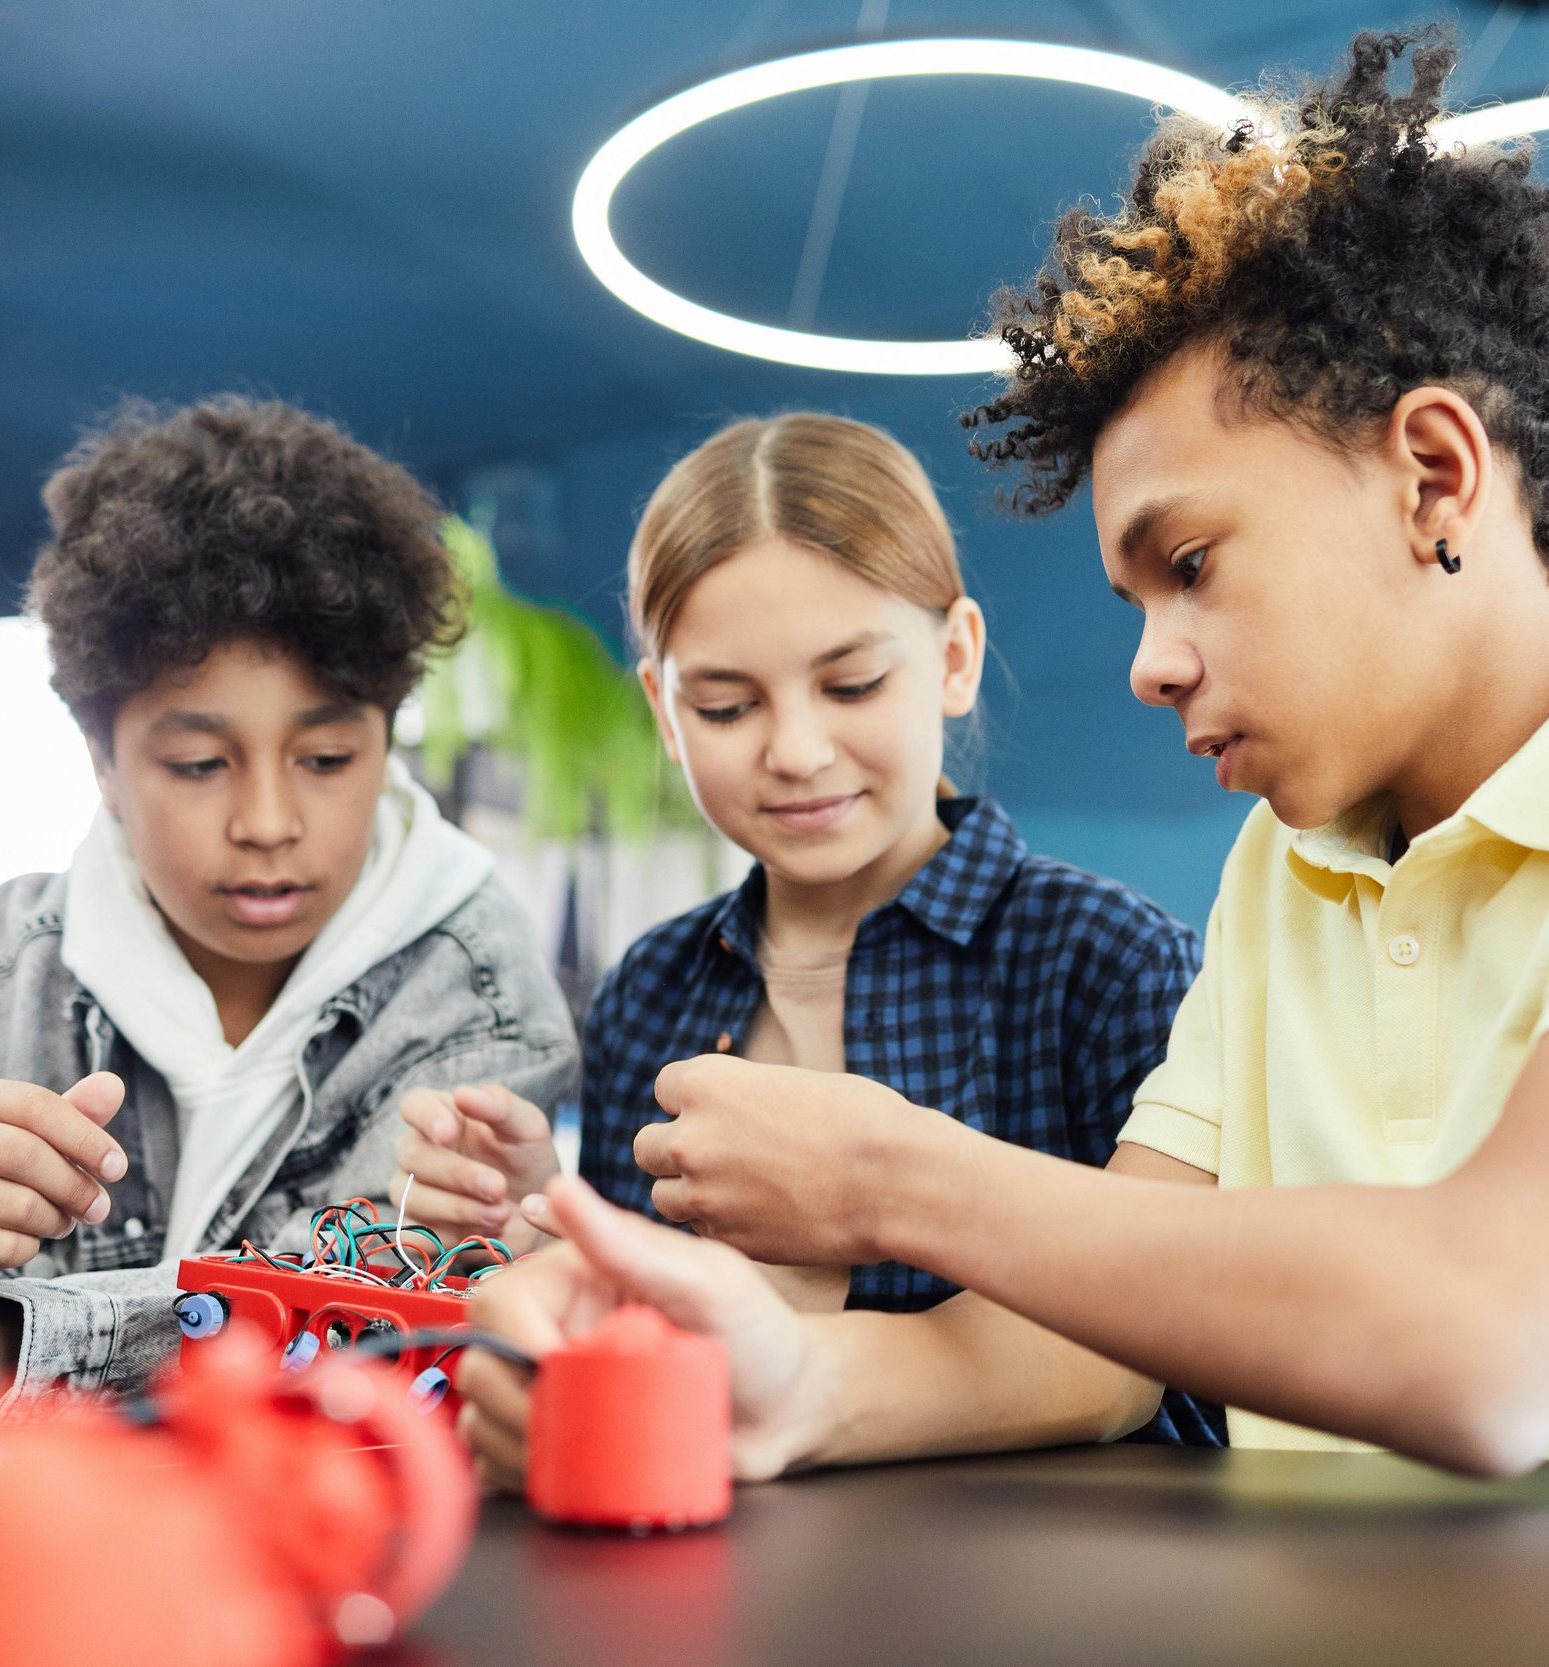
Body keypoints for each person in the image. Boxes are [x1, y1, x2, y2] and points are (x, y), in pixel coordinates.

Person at [453, 30, 1549, 1483]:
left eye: (1188, 562)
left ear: (1436, 476)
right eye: (1135, 599)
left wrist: (893, 1178)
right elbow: (1092, 1334)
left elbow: (1497, 1330)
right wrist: (794, 1386)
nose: (1149, 661)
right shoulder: (1290, 865)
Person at [0, 397, 578, 1423]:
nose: (269, 820)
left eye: (327, 759)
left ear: (386, 740)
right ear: (102, 760)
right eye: (198, 763)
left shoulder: (477, 995)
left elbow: (359, 1332)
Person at [392, 413, 1221, 1443]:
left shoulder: (1109, 958)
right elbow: (648, 1341)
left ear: (955, 656)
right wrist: (545, 1218)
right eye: (728, 706)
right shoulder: (653, 987)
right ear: (662, 711)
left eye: (852, 683)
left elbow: (1172, 1345)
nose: (795, 749)